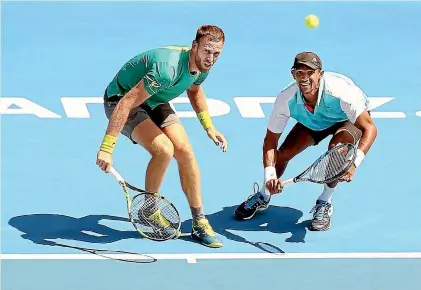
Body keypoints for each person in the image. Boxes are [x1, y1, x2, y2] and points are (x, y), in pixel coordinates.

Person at [96, 25, 228, 248]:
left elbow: (194, 90)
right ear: (194, 46)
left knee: (185, 151)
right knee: (164, 149)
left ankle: (199, 221)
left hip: (154, 98)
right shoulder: (167, 70)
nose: (211, 58)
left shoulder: (203, 64)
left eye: (217, 53)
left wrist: (209, 127)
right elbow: (127, 103)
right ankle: (149, 210)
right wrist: (107, 148)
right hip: (121, 100)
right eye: (207, 51)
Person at [234, 51, 378, 231]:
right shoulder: (286, 99)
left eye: (310, 72)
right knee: (283, 154)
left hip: (346, 119)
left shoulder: (341, 94)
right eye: (299, 73)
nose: (305, 78)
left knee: (337, 150)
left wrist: (354, 163)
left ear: (320, 74)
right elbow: (270, 141)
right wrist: (270, 177)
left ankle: (324, 202)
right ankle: (264, 195)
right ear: (293, 74)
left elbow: (370, 128)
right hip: (314, 121)